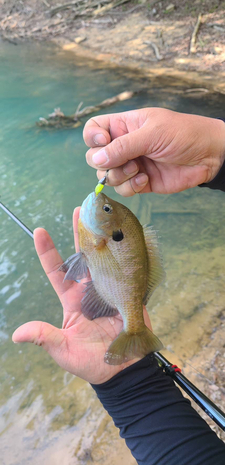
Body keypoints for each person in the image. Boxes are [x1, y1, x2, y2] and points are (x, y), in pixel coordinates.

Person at [12, 108, 225, 465]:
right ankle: (134, 333)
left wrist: (128, 388)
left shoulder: (100, 239)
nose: (103, 203)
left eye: (107, 209)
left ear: (109, 231)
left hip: (126, 331)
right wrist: (215, 151)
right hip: (122, 302)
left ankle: (134, 334)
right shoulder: (101, 238)